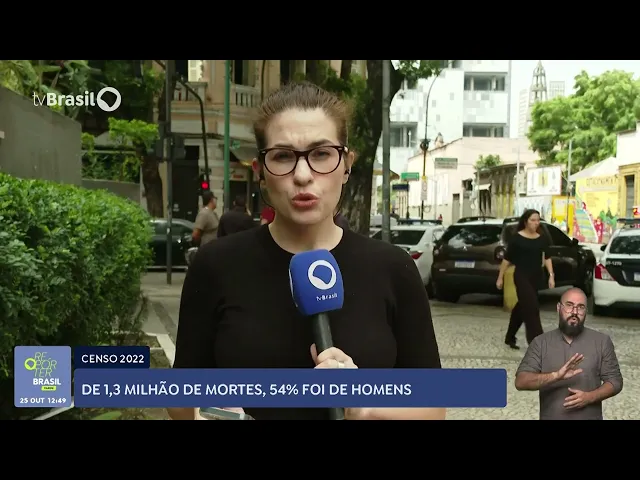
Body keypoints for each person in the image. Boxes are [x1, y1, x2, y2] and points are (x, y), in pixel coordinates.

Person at [169, 81, 444, 421]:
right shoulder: (216, 265)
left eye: (321, 154)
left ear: (346, 165)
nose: (302, 175)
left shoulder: (393, 268)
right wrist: (206, 412)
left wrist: (365, 406)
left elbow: (433, 408)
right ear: (260, 171)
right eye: (283, 156)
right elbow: (180, 397)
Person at [514, 287, 623, 420]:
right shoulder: (540, 343)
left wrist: (590, 397)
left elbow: (615, 381)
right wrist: (555, 376)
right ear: (559, 308)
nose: (574, 312)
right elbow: (521, 381)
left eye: (580, 307)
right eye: (569, 305)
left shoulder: (602, 341)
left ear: (586, 311)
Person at [497, 209, 554, 350]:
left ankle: (510, 336)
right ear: (525, 221)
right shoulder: (516, 238)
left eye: (538, 220)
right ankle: (537, 342)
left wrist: (551, 275)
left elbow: (547, 257)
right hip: (521, 276)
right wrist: (500, 278)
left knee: (522, 307)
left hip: (536, 277)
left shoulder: (542, 238)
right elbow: (506, 260)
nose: (536, 223)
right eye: (533, 220)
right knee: (532, 307)